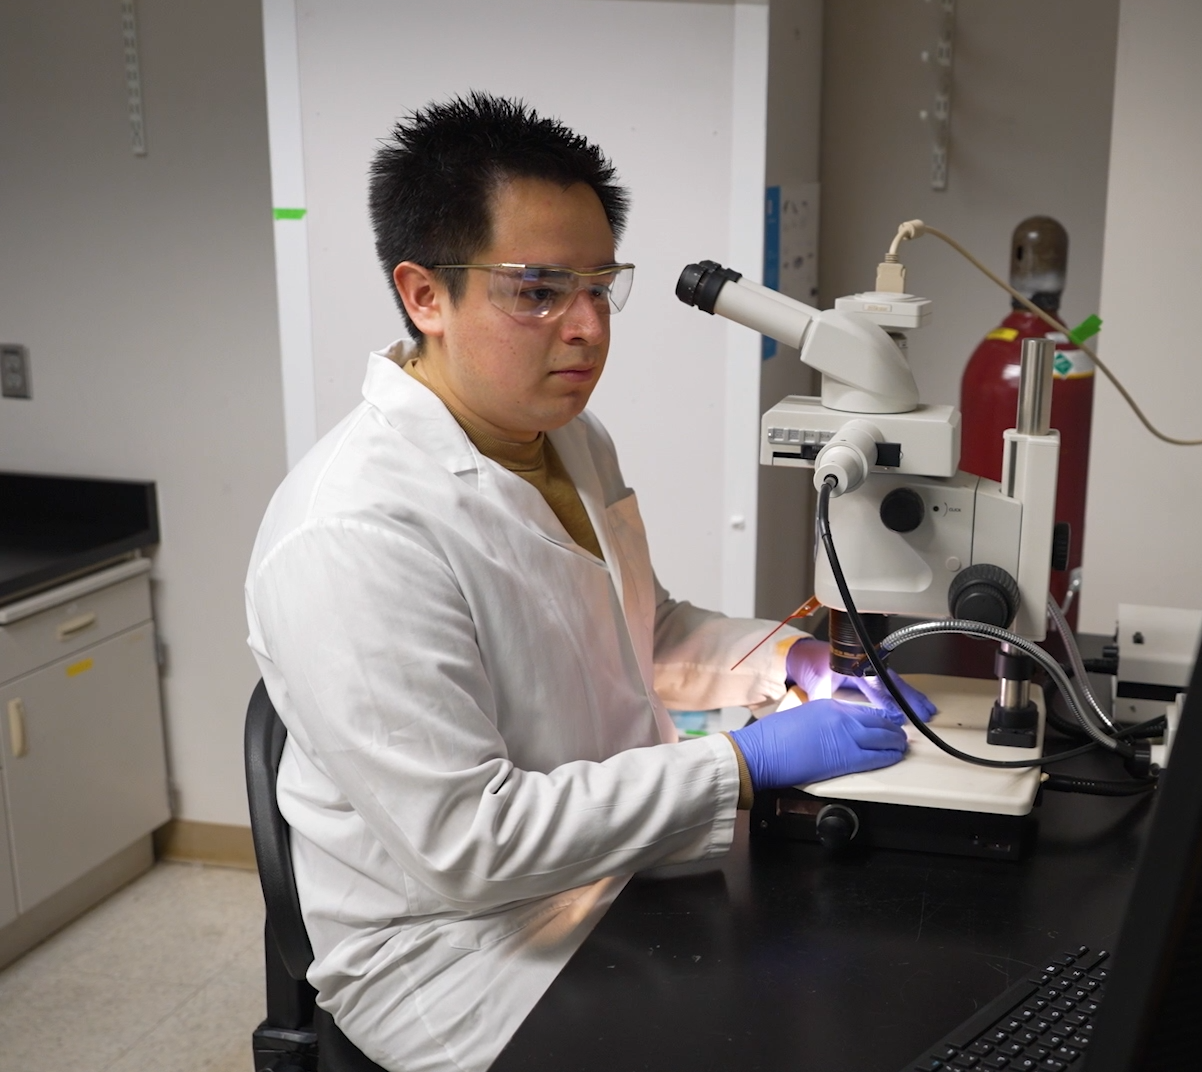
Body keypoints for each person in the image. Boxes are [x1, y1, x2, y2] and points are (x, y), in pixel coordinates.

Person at [244, 93, 935, 1072]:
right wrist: (740, 767)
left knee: (863, 984)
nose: (588, 328)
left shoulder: (565, 436)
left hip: (602, 866)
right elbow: (467, 843)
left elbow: (630, 626)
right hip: (461, 955)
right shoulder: (351, 533)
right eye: (538, 291)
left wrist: (795, 659)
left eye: (602, 287)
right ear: (423, 295)